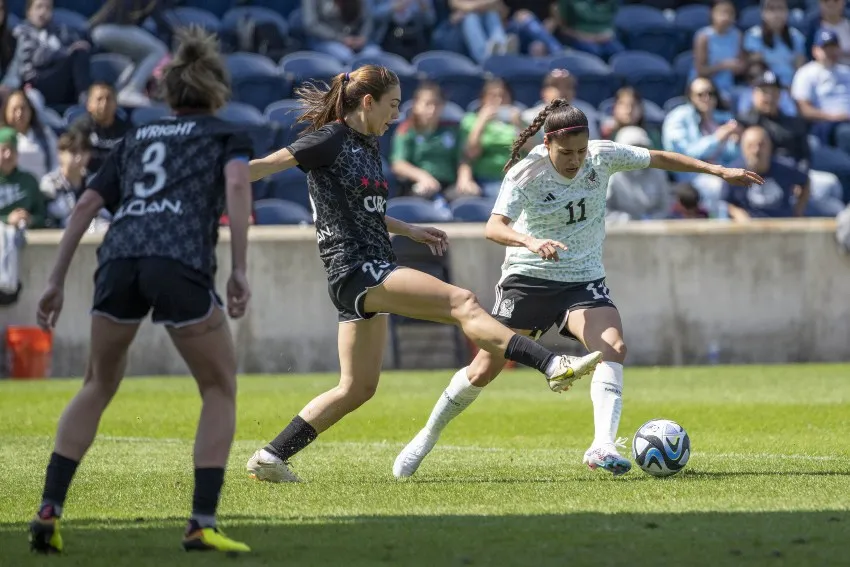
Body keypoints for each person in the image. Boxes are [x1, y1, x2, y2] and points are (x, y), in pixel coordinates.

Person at [245, 65, 602, 483]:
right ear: (367, 102)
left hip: (362, 272)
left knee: (358, 388)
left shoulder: (366, 143)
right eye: (393, 105)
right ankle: (551, 364)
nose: (396, 114)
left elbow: (365, 211)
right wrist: (213, 181)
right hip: (360, 268)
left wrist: (409, 229)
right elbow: (267, 165)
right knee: (462, 301)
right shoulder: (331, 139)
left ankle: (271, 456)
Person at [392, 98, 763, 479]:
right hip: (529, 277)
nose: (575, 159)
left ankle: (601, 445)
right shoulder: (527, 172)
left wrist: (716, 170)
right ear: (547, 144)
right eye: (566, 152)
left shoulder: (602, 156)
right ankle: (426, 435)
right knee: (485, 368)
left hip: (583, 278)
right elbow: (494, 227)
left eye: (581, 150)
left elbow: (658, 157)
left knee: (613, 347)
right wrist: (530, 242)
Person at [28, 27, 254, 555]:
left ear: (170, 94)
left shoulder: (136, 137)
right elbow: (239, 185)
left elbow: (86, 206)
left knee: (97, 383)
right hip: (176, 258)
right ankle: (201, 521)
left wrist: (55, 280)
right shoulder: (226, 134)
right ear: (216, 91)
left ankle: (49, 509)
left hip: (120, 257)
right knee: (219, 386)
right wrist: (239, 268)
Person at [722, 125, 808, 220]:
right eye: (750, 146)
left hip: (781, 225)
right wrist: (738, 214)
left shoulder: (785, 168)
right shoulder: (734, 172)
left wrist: (798, 211)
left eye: (761, 145)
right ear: (742, 149)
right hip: (750, 228)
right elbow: (726, 202)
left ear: (770, 147)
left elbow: (806, 182)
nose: (756, 151)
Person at [0, 125, 44, 228]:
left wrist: (29, 219)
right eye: (3, 150)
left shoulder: (29, 181)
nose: (8, 155)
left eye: (12, 150)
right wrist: (7, 220)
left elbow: (42, 217)